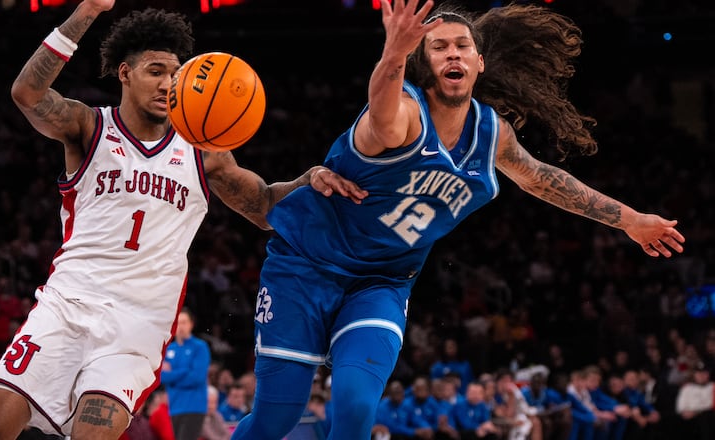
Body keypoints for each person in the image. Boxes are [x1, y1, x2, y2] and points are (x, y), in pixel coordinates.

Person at [229, 1, 686, 439]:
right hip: (307, 266)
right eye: (440, 46)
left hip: (382, 282)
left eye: (462, 45)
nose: (453, 53)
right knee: (277, 418)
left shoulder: (491, 134)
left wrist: (629, 220)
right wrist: (395, 51)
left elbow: (543, 180)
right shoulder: (404, 113)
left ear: (479, 62)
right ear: (424, 64)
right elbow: (383, 118)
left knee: (354, 405)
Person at [0, 0, 366, 439]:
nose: (167, 83)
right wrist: (85, 12)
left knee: (92, 431)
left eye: (174, 75)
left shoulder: (203, 151)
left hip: (137, 323)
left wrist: (308, 181)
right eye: (155, 71)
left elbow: (265, 207)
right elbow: (27, 94)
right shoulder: (88, 126)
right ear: (125, 73)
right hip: (68, 301)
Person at [161, 308, 211, 440]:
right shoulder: (169, 349)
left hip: (194, 406)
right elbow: (161, 377)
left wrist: (172, 374)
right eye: (178, 322)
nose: (181, 326)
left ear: (191, 324)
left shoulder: (200, 347)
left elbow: (197, 378)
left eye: (184, 322)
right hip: (174, 406)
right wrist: (184, 371)